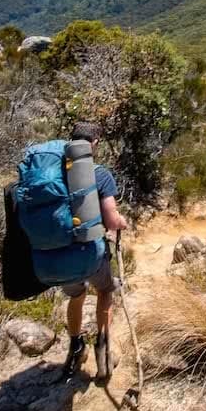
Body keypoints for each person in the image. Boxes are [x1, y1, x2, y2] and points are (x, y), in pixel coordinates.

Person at [62, 122, 128, 380]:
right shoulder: (100, 174)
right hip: (91, 251)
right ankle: (103, 348)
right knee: (105, 289)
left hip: (61, 253)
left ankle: (75, 347)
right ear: (95, 143)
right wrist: (121, 223)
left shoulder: (58, 172)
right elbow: (112, 221)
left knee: (76, 297)